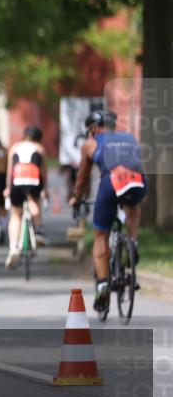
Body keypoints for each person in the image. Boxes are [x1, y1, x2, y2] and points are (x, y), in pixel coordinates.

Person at [69, 110, 146, 313]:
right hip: (137, 181)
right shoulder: (130, 138)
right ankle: (132, 241)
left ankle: (102, 286)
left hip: (111, 183)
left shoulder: (91, 143)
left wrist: (77, 198)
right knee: (133, 205)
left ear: (94, 128)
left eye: (89, 131)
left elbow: (82, 178)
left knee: (100, 235)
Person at [4, 125, 49, 269]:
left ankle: (13, 247)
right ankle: (38, 230)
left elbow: (10, 171)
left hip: (16, 181)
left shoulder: (14, 148)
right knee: (33, 200)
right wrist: (45, 189)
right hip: (33, 182)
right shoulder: (39, 149)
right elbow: (43, 172)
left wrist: (8, 188)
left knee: (16, 215)